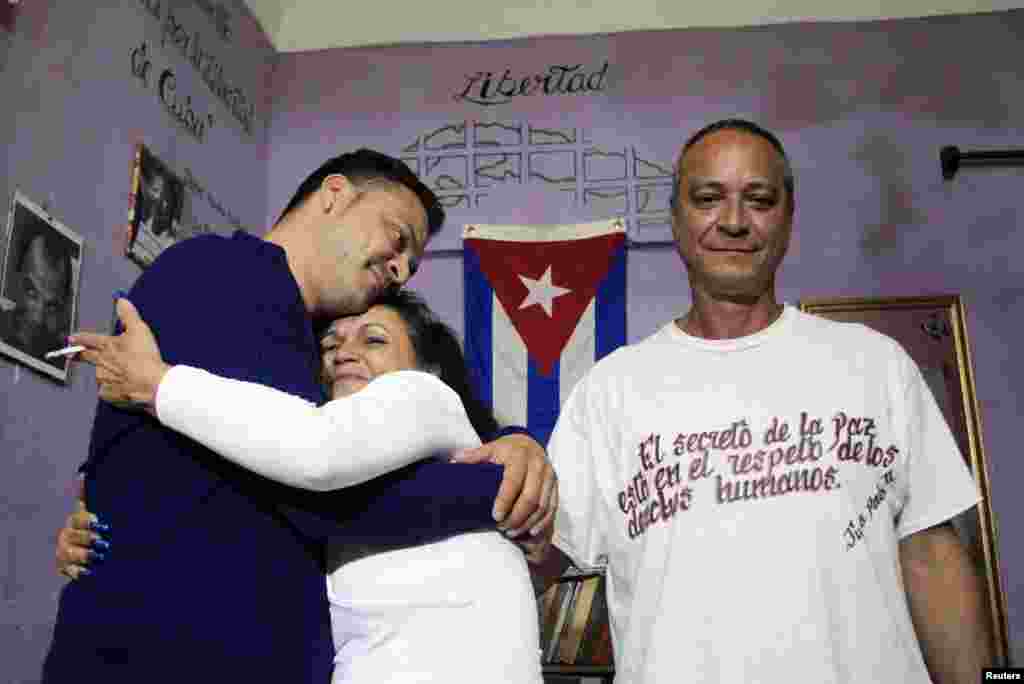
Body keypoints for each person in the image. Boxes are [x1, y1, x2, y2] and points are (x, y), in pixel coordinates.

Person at [42, 149, 556, 684]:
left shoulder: (303, 344)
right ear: (335, 195)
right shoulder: (226, 274)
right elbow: (321, 494)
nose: (402, 269)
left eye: (412, 264)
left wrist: (517, 446)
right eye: (398, 237)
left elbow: (376, 439)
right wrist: (501, 493)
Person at [531, 119, 994, 683]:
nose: (733, 221)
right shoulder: (610, 390)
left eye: (759, 199)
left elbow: (931, 555)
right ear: (676, 221)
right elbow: (538, 559)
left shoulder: (875, 364)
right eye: (708, 199)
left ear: (788, 219)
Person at [2, 231, 73, 360]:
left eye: (52, 307)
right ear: (15, 279)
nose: (37, 318)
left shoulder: (63, 359)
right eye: (31, 292)